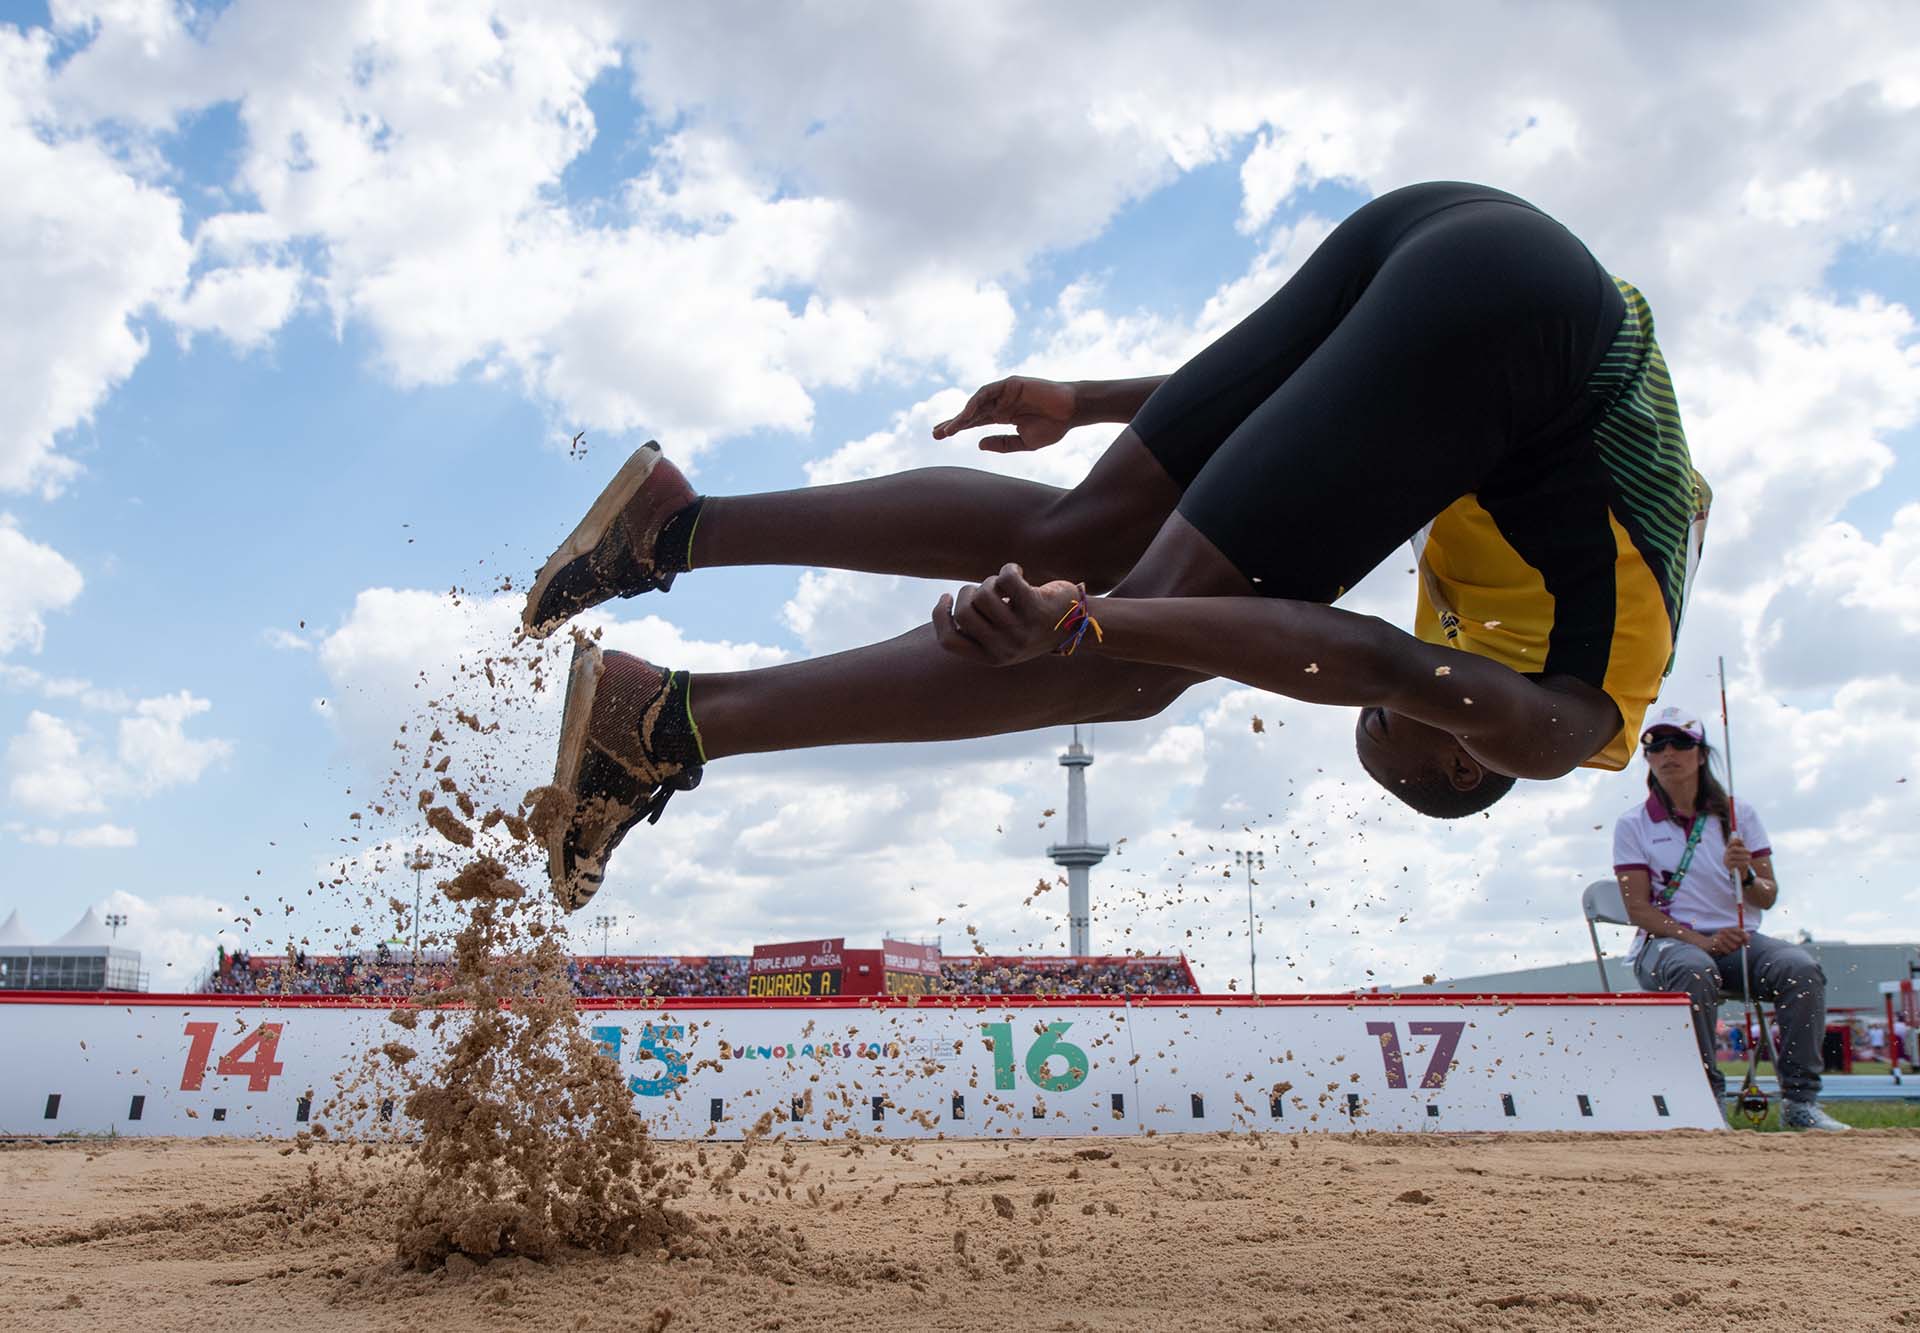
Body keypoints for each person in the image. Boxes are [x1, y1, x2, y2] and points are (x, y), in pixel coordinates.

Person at [520, 181, 1711, 912]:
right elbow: (1367, 660)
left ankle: (671, 526)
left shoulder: (1528, 592)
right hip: (1523, 324)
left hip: (1455, 234)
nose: (1384, 706)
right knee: (1132, 668)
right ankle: (666, 722)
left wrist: (1094, 402)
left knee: (1072, 529)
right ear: (1465, 760)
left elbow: (1351, 391)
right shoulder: (1562, 727)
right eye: (1387, 740)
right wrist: (1096, 621)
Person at [1611, 705, 1846, 1130]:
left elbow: (1768, 896)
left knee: (1801, 968)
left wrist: (1747, 873)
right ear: (1646, 758)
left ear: (1700, 754)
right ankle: (1706, 1101)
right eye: (1656, 745)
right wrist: (1702, 941)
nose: (1668, 753)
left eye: (1680, 743)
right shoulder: (1633, 824)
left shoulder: (1740, 816)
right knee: (1693, 967)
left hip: (1740, 944)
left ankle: (1800, 1102)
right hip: (1668, 948)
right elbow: (1638, 910)